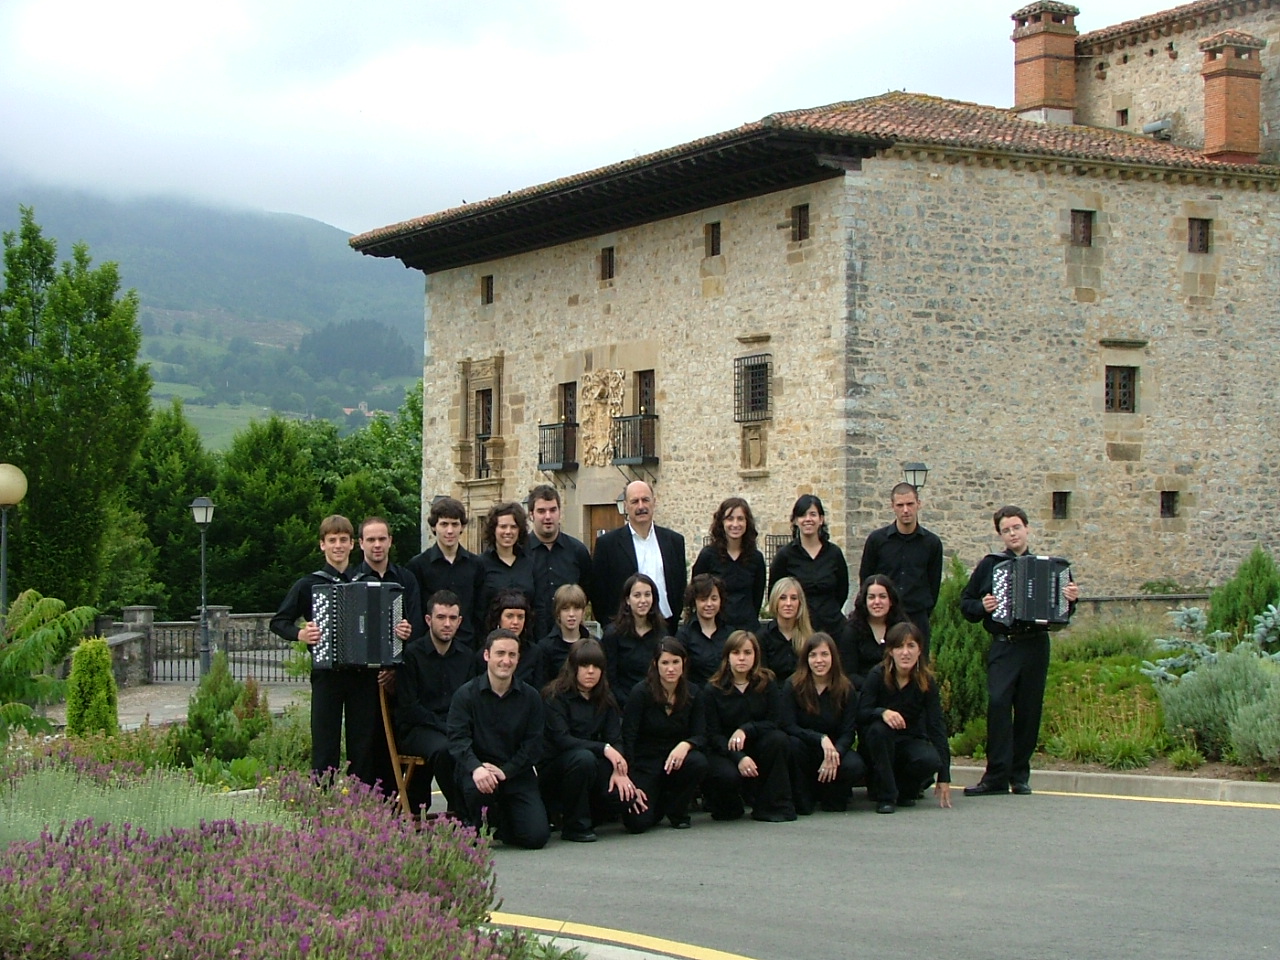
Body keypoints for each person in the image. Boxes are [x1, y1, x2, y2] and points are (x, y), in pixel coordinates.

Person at [960, 506, 1079, 797]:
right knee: (999, 705)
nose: (1012, 534)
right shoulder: (991, 564)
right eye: (1006, 530)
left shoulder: (1054, 567)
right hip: (1004, 644)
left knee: (1029, 709)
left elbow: (1061, 612)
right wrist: (983, 606)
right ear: (1000, 535)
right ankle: (996, 775)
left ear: (1027, 529)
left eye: (1016, 527)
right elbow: (966, 604)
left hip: (1036, 645)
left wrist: (1071, 600)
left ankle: (1020, 775)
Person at [271, 515, 381, 782]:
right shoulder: (309, 584)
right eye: (332, 540)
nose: (338, 546)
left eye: (343, 540)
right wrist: (300, 634)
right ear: (322, 545)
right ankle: (323, 799)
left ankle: (361, 799)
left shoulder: (367, 580)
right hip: (327, 674)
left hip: (362, 675)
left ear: (353, 544)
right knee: (324, 741)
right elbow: (278, 622)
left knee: (363, 743)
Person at [447, 628, 549, 849]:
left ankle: (504, 821)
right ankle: (474, 821)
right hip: (479, 774)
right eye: (500, 653)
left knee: (536, 838)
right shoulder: (465, 695)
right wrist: (476, 767)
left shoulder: (531, 697)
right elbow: (458, 739)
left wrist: (507, 771)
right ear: (486, 656)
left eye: (512, 655)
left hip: (516, 773)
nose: (506, 660)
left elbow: (533, 745)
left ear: (518, 658)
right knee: (477, 796)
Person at [540, 638, 645, 842]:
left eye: (596, 666)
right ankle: (574, 825)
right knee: (583, 758)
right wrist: (604, 748)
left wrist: (620, 771)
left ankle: (592, 817)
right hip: (556, 769)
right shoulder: (553, 696)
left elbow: (615, 739)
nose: (591, 671)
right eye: (585, 666)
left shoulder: (605, 698)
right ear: (573, 668)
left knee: (627, 796)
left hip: (592, 765)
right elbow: (562, 740)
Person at [394, 590, 476, 816]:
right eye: (441, 617)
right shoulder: (411, 655)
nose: (447, 624)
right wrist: (447, 728)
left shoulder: (467, 656)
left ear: (459, 621)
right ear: (428, 620)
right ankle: (464, 812)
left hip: (454, 728)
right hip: (418, 730)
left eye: (452, 618)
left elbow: (471, 703)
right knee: (445, 749)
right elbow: (410, 708)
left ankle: (489, 808)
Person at [857, 622, 952, 814]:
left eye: (911, 646)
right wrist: (882, 712)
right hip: (879, 746)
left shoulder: (926, 681)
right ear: (890, 651)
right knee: (878, 730)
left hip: (909, 741)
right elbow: (861, 713)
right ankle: (886, 796)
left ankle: (905, 790)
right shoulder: (877, 675)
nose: (905, 653)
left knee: (930, 760)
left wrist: (944, 776)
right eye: (899, 647)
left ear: (919, 651)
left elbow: (936, 727)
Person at [702, 630, 796, 822]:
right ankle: (731, 803)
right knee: (726, 777)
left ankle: (772, 806)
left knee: (779, 740)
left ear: (756, 656)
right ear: (727, 656)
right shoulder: (713, 689)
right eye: (736, 653)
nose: (742, 658)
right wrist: (739, 757)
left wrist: (747, 729)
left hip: (758, 743)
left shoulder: (766, 682)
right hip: (725, 751)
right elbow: (713, 734)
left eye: (747, 653)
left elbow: (775, 721)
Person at [620, 638, 708, 833]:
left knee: (698, 761)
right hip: (645, 764)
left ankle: (677, 810)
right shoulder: (640, 693)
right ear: (655, 664)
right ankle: (659, 804)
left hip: (675, 762)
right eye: (665, 663)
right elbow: (628, 737)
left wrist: (686, 745)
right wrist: (631, 780)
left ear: (684, 663)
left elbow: (701, 734)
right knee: (638, 824)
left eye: (675, 662)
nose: (671, 669)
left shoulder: (694, 692)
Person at [782, 633, 867, 814]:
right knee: (791, 745)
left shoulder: (846, 689)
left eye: (824, 654)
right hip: (804, 749)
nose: (819, 660)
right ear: (806, 659)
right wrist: (820, 738)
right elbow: (789, 726)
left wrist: (834, 754)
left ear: (833, 657)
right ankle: (804, 793)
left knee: (855, 766)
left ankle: (831, 790)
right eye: (813, 655)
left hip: (833, 750)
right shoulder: (793, 685)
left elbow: (848, 732)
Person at [857, 483, 943, 655]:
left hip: (917, 617)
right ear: (892, 507)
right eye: (900, 505)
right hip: (886, 619)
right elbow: (866, 579)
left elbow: (933, 584)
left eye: (910, 504)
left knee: (919, 673)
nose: (905, 510)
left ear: (919, 504)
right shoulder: (877, 541)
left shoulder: (932, 543)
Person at [592, 480, 687, 633]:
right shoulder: (608, 545)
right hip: (624, 631)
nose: (641, 506)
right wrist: (611, 627)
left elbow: (680, 584)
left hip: (666, 628)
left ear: (654, 502)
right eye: (635, 501)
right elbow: (598, 592)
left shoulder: (674, 542)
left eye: (645, 500)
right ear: (626, 506)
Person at [406, 497, 484, 649]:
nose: (450, 531)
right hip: (429, 649)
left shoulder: (476, 565)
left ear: (462, 527)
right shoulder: (418, 565)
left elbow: (479, 611)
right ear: (434, 527)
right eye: (444, 524)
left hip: (467, 647)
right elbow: (415, 612)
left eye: (455, 524)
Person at [768, 494, 849, 637]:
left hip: (832, 628)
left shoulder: (834, 554)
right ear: (795, 521)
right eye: (802, 515)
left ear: (821, 519)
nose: (808, 519)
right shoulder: (785, 556)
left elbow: (842, 591)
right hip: (798, 630)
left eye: (813, 514)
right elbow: (774, 594)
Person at [527, 484, 594, 640]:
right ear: (531, 515)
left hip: (569, 642)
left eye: (553, 510)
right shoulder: (520, 553)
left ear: (559, 513)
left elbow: (587, 593)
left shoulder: (578, 551)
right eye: (541, 511)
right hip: (531, 640)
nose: (548, 516)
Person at [692, 497, 767, 632]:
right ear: (721, 523)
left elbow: (757, 597)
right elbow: (697, 593)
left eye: (740, 519)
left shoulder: (756, 558)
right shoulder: (707, 556)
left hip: (747, 630)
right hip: (717, 630)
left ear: (747, 522)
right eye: (730, 519)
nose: (735, 524)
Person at [353, 516, 424, 644]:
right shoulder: (352, 582)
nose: (377, 545)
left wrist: (408, 631)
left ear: (390, 541)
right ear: (361, 543)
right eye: (371, 540)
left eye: (382, 539)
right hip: (360, 660)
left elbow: (417, 625)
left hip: (401, 659)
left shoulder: (406, 578)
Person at [839, 575, 909, 690]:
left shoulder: (902, 629)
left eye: (882, 596)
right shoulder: (851, 631)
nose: (877, 602)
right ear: (864, 602)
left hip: (897, 691)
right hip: (862, 693)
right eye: (871, 597)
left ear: (891, 601)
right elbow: (848, 674)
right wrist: (875, 687)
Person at [602, 573, 668, 695]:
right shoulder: (612, 634)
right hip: (622, 703)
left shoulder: (661, 632)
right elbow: (610, 677)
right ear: (627, 600)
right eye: (637, 595)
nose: (643, 600)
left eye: (647, 595)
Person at [477, 501, 536, 618]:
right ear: (494, 529)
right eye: (503, 526)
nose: (508, 532)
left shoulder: (529, 563)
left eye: (513, 527)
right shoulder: (480, 564)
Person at [479, 589, 545, 689]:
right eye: (509, 616)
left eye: (520, 617)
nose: (515, 622)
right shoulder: (484, 654)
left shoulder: (534, 653)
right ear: (498, 619)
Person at [675, 574, 732, 688]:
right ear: (694, 602)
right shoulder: (684, 635)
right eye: (703, 599)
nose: (709, 604)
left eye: (714, 598)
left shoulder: (730, 633)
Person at [536, 583, 593, 689]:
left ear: (583, 612)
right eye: (566, 609)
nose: (571, 614)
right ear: (558, 613)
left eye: (576, 608)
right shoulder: (545, 647)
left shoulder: (594, 644)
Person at [757, 577, 814, 680]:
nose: (788, 603)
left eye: (793, 598)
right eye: (783, 598)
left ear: (800, 602)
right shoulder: (762, 637)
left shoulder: (809, 637)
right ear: (775, 601)